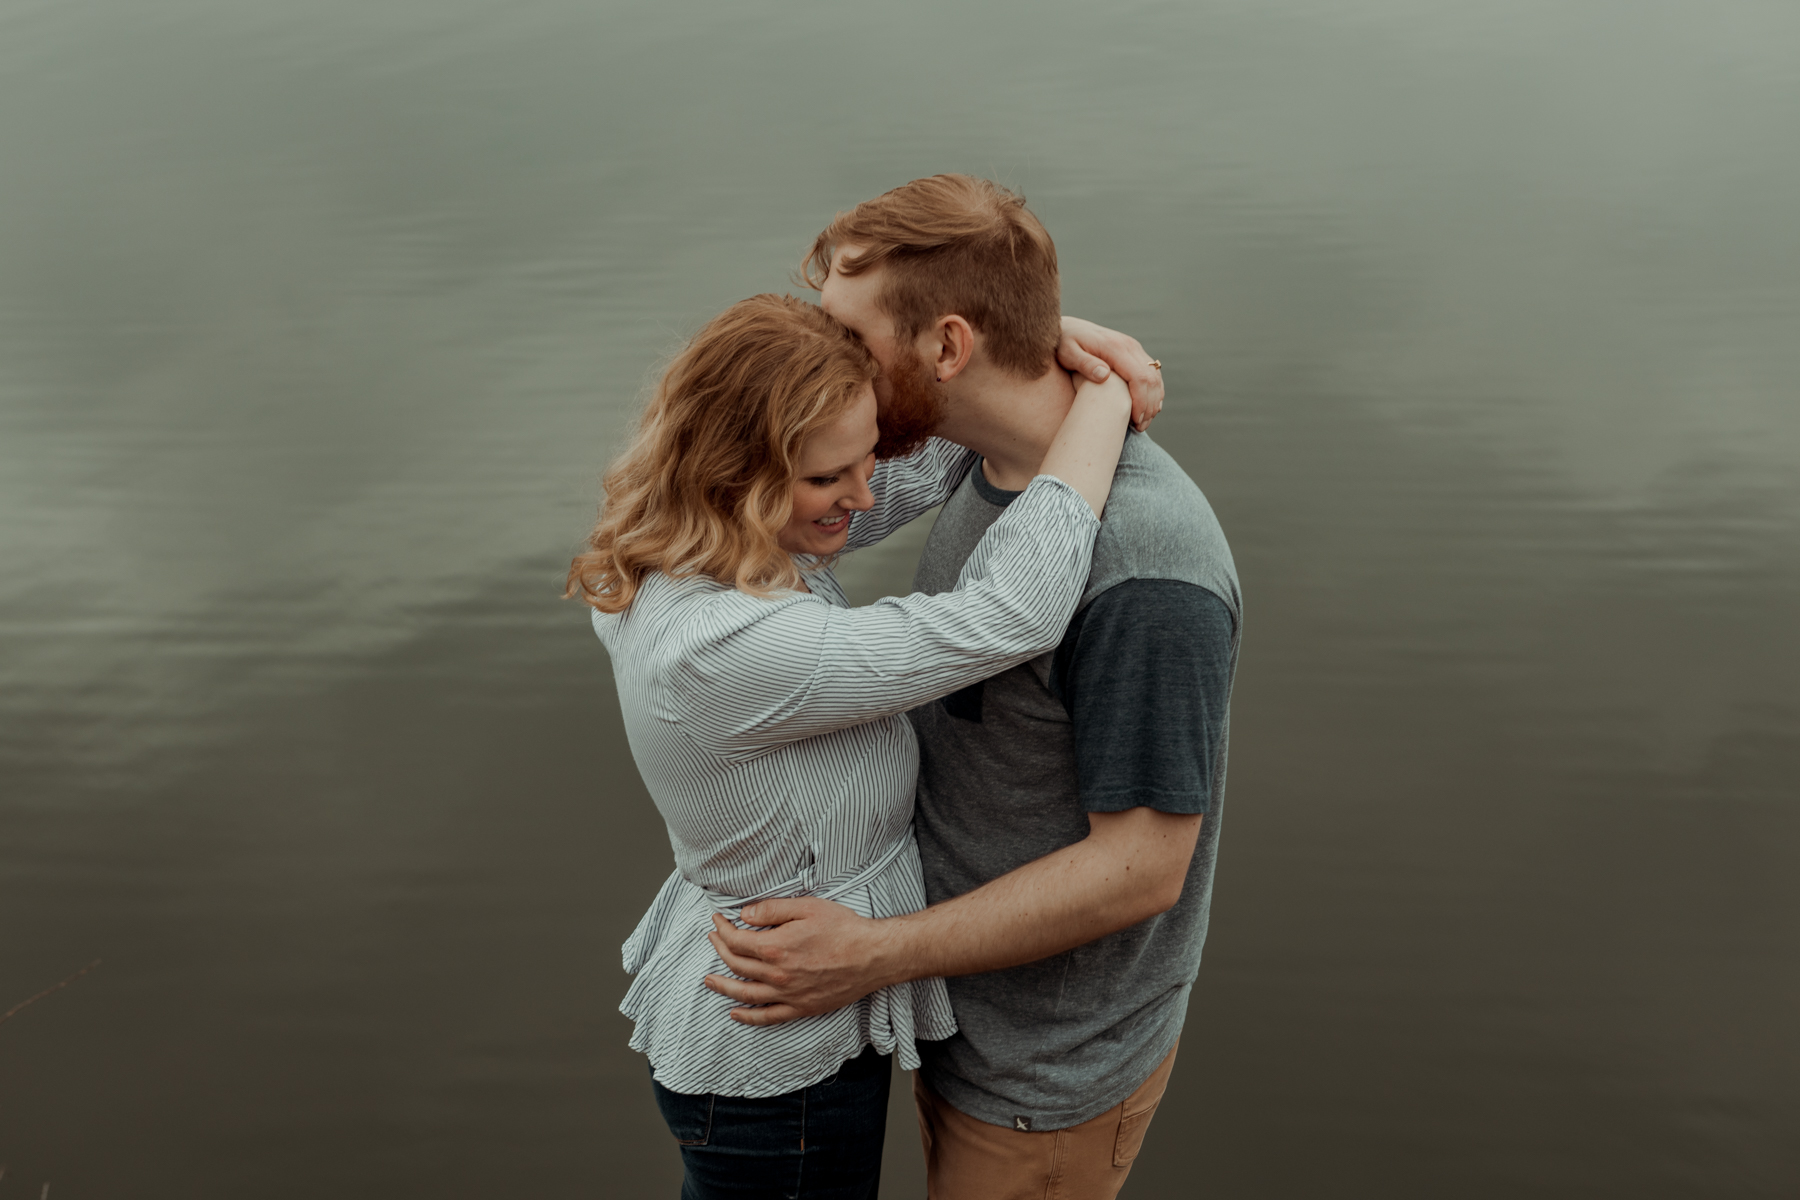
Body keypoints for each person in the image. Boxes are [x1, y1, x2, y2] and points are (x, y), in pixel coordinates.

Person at [703, 175, 1241, 1200]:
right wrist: (1083, 352)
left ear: (947, 348)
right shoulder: (970, 454)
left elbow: (1141, 870)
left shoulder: (1145, 569)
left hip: (1044, 1078)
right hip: (956, 1015)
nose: (824, 361)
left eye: (849, 339)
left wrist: (870, 956)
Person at [569, 291, 1152, 1199]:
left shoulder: (708, 541)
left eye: (867, 453)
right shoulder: (727, 647)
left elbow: (927, 465)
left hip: (784, 1022)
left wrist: (1047, 350)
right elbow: (1011, 616)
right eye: (828, 477)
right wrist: (1106, 401)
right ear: (741, 472)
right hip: (778, 1065)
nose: (866, 494)